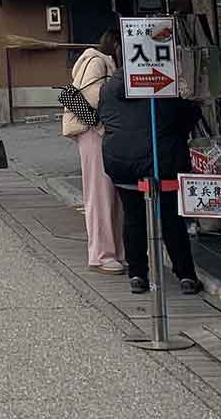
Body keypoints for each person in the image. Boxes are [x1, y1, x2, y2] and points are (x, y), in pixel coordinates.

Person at [99, 67, 203, 295]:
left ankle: (137, 275)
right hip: (160, 162)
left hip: (120, 161)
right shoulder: (161, 86)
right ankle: (186, 275)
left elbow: (105, 118)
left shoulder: (108, 88)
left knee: (133, 218)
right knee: (170, 220)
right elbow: (185, 119)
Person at [62, 29, 124, 275]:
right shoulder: (97, 62)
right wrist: (103, 126)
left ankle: (114, 251)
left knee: (109, 193)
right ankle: (102, 254)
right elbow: (89, 98)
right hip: (95, 133)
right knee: (100, 193)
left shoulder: (96, 60)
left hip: (100, 134)